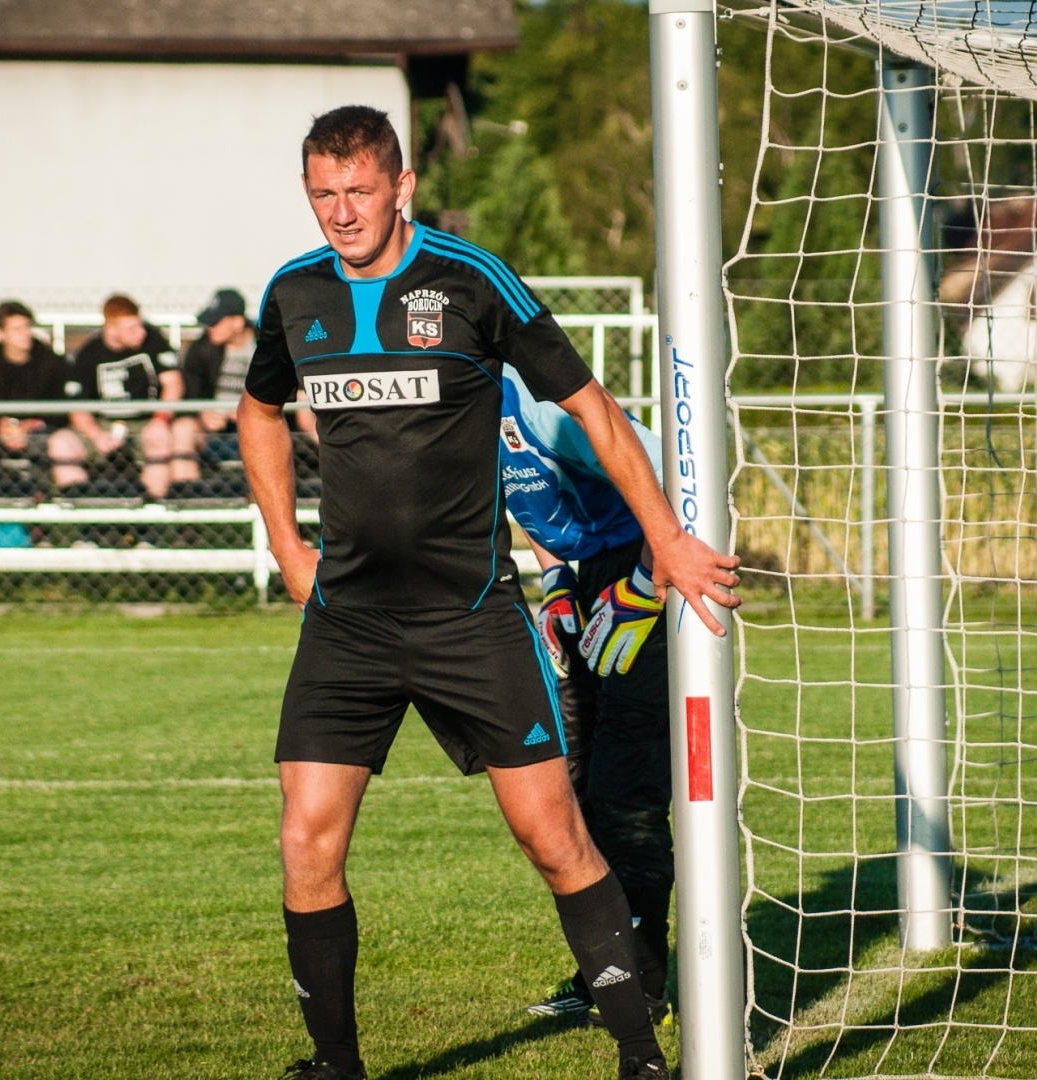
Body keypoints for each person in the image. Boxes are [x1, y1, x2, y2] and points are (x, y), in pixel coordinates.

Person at [238, 105, 741, 1080]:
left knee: (554, 837)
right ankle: (334, 1065)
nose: (340, 212)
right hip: (347, 623)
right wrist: (286, 545)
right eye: (322, 193)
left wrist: (667, 539)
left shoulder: (470, 281)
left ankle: (642, 1056)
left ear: (402, 188)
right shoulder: (292, 294)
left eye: (358, 191)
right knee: (305, 837)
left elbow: (589, 406)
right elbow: (259, 410)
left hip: (469, 618)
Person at [499, 370, 675, 1028]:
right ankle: (606, 971)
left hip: (651, 568)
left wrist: (644, 584)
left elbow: (679, 478)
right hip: (590, 582)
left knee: (626, 790)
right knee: (577, 791)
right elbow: (524, 501)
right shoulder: (455, 412)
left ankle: (643, 985)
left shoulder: (541, 406)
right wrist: (555, 581)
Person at [177, 288, 317, 474]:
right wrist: (203, 415)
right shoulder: (201, 349)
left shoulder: (268, 344)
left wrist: (253, 411)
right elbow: (191, 394)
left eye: (217, 322)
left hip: (262, 421)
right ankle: (187, 496)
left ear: (237, 322)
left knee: (265, 428)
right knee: (183, 429)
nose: (210, 328)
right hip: (216, 428)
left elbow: (290, 385)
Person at [64, 294, 184, 499]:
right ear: (110, 330)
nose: (141, 333)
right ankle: (87, 515)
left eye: (140, 325)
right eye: (131, 329)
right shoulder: (88, 354)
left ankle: (146, 515)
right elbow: (77, 409)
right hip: (105, 424)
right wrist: (96, 434)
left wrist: (160, 419)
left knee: (160, 441)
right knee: (61, 443)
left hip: (146, 422)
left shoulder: (153, 339)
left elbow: (173, 384)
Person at [0, 300, 79, 489]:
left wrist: (31, 424)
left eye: (27, 327)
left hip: (39, 428)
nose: (25, 333)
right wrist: (2, 424)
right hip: (0, 430)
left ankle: (38, 496)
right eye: (17, 329)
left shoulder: (52, 362)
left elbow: (62, 409)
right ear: (2, 334)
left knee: (42, 441)